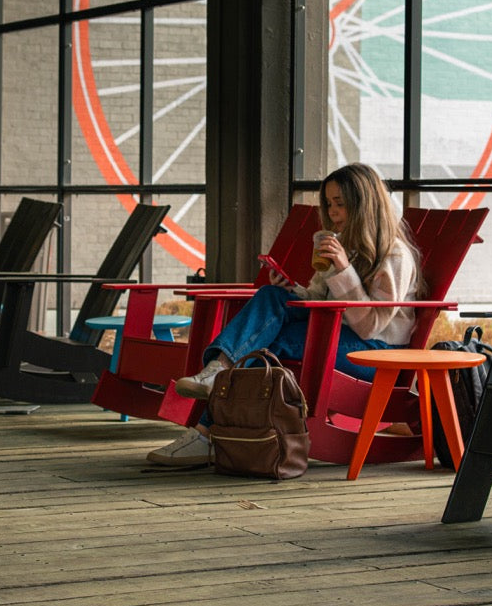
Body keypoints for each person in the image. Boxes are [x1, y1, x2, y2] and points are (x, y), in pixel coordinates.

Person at [145, 162, 425, 468]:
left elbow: (370, 327)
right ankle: (218, 371)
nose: (332, 213)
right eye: (329, 204)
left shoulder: (394, 256)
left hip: (377, 355)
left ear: (364, 205)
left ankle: (205, 431)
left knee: (268, 348)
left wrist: (344, 270)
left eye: (340, 204)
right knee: (271, 296)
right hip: (334, 336)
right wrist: (292, 290)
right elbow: (319, 299)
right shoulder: (342, 245)